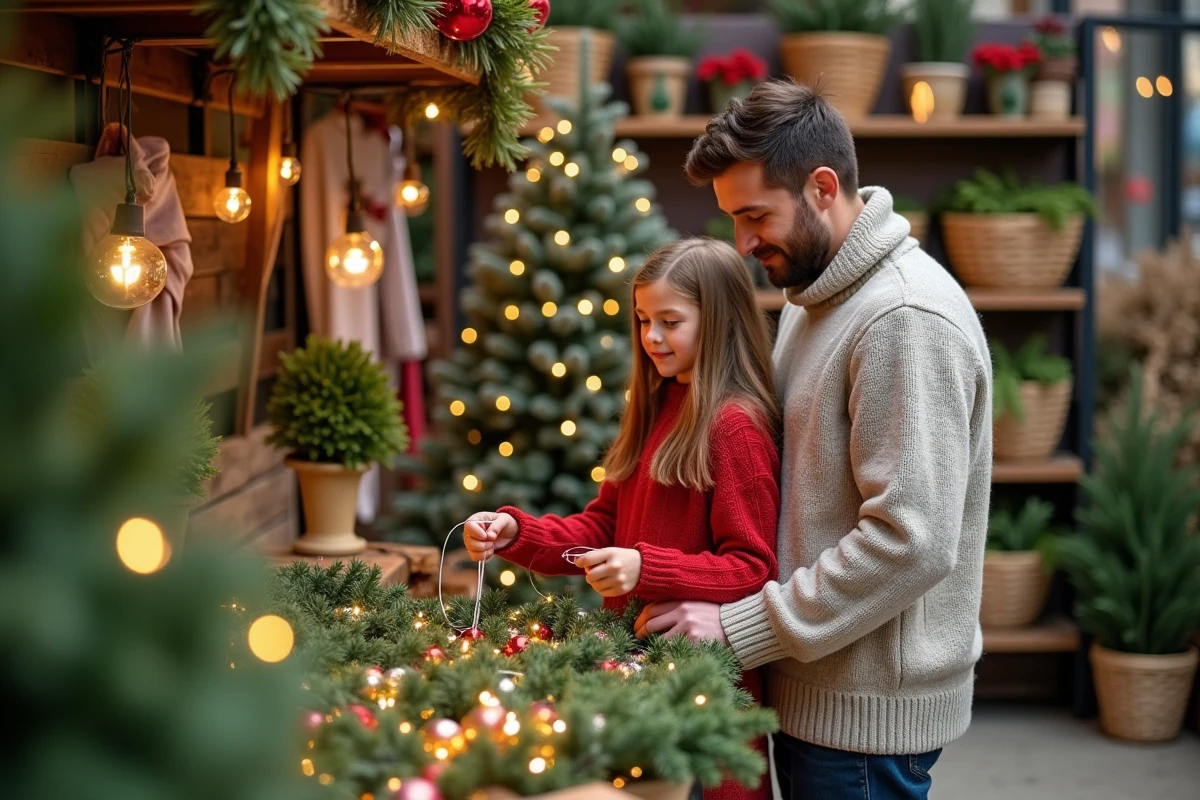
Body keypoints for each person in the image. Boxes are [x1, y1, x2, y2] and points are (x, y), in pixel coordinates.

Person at [633, 79, 994, 800]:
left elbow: (910, 541)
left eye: (756, 216)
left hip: (863, 722)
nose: (742, 243)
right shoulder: (814, 297)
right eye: (733, 219)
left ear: (822, 188)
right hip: (811, 688)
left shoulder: (903, 318)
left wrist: (740, 626)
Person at [463, 237, 781, 800]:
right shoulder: (656, 406)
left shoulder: (735, 427)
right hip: (635, 682)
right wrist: (519, 534)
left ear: (721, 322)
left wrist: (644, 567)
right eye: (642, 320)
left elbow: (753, 567)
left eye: (670, 322)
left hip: (702, 696)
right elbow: (602, 528)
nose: (651, 336)